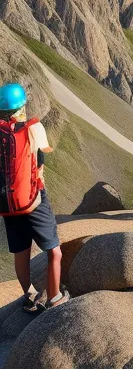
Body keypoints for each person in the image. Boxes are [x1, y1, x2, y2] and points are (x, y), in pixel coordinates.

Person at [0, 83, 69, 312]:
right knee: (54, 250)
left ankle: (29, 297)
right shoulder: (33, 128)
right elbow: (41, 162)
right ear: (21, 106)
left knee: (21, 252)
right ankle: (55, 297)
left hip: (7, 203)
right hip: (33, 200)